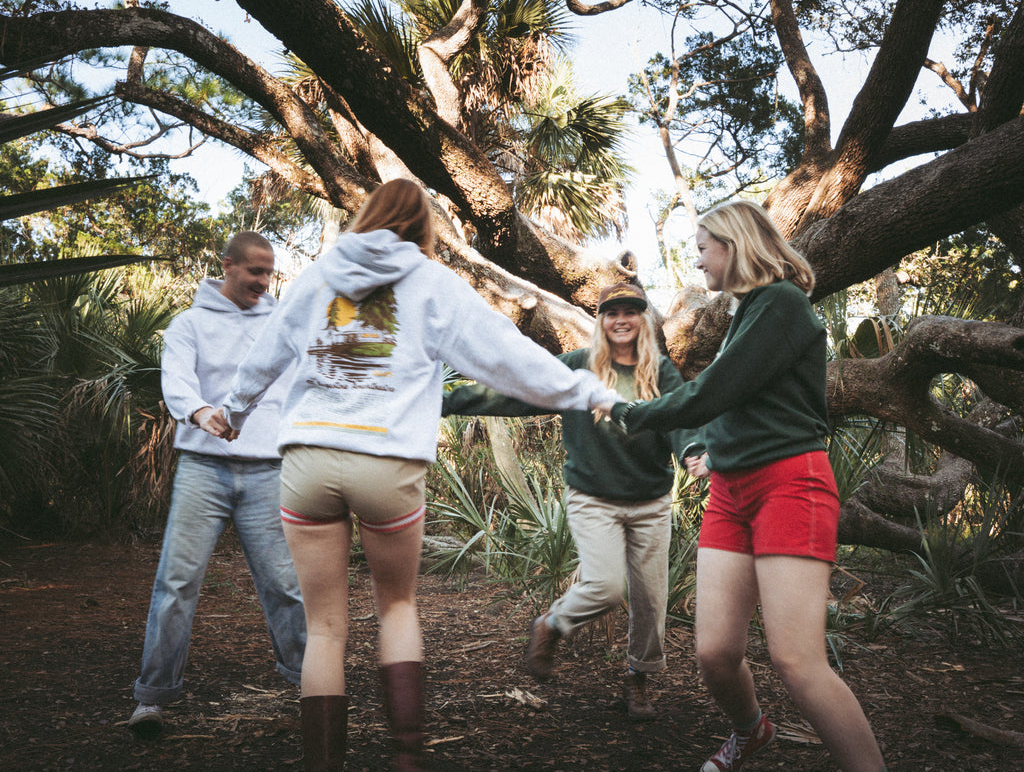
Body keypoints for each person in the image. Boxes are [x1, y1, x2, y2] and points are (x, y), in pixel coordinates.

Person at [212, 179, 620, 771]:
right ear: (420, 226)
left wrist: (233, 410)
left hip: (310, 461)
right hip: (388, 462)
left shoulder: (322, 272)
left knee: (324, 629)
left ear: (370, 215)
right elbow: (505, 354)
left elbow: (271, 347)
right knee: (397, 607)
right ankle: (407, 760)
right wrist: (585, 391)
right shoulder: (431, 282)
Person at [605, 201, 886, 772]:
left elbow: (715, 390)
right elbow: (734, 403)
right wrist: (703, 448)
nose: (698, 259)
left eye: (703, 247)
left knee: (797, 660)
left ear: (733, 245)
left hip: (790, 484)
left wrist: (632, 413)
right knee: (714, 653)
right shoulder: (746, 311)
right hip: (732, 492)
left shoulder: (781, 303)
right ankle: (751, 731)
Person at [443, 281, 695, 721]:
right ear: (600, 320)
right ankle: (551, 625)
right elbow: (517, 393)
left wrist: (692, 451)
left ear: (643, 319)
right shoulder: (578, 368)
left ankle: (638, 682)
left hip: (651, 502)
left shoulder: (661, 372)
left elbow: (682, 420)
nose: (621, 319)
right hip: (593, 498)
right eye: (611, 311)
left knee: (651, 602)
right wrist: (447, 400)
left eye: (631, 311)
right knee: (604, 585)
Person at [128, 232, 306, 737]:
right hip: (203, 469)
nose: (263, 281)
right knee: (176, 584)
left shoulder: (282, 326)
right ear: (227, 265)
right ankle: (152, 698)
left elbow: (301, 389)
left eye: (269, 272)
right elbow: (176, 380)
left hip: (268, 470)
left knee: (284, 585)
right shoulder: (189, 324)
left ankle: (308, 685)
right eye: (255, 270)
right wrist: (201, 411)